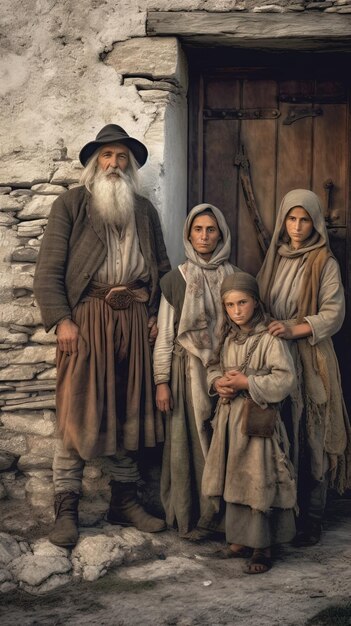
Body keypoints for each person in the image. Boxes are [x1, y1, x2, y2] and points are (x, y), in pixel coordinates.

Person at [33, 124, 171, 547]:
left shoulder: (144, 210)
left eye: (122, 157)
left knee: (127, 411)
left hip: (131, 321)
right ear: (95, 163)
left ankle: (124, 502)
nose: (114, 164)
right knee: (77, 412)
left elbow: (162, 269)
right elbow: (48, 270)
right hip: (87, 320)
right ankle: (67, 509)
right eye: (107, 156)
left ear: (130, 166)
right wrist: (62, 320)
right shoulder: (71, 205)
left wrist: (154, 310)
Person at [257, 188, 351, 547]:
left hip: (311, 357)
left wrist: (294, 328)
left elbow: (333, 313)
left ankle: (313, 517)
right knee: (283, 432)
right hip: (276, 356)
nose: (297, 226)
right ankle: (284, 513)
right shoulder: (275, 258)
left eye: (305, 219)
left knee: (314, 434)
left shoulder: (324, 262)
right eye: (291, 219)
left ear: (315, 223)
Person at [153, 204, 240, 539]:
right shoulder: (176, 279)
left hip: (227, 373)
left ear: (221, 235)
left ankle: (226, 520)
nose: (204, 237)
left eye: (211, 230)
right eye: (198, 230)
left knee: (225, 443)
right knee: (188, 445)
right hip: (186, 373)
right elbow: (164, 334)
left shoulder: (234, 276)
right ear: (188, 234)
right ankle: (196, 516)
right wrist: (162, 381)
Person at [202, 272, 297, 574]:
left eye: (242, 302)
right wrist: (218, 383)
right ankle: (241, 538)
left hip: (258, 424)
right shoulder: (228, 338)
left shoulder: (269, 338)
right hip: (231, 422)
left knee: (258, 479)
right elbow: (214, 367)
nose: (236, 310)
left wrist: (247, 381)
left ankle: (262, 547)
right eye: (229, 305)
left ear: (255, 302)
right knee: (237, 477)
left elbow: (285, 379)